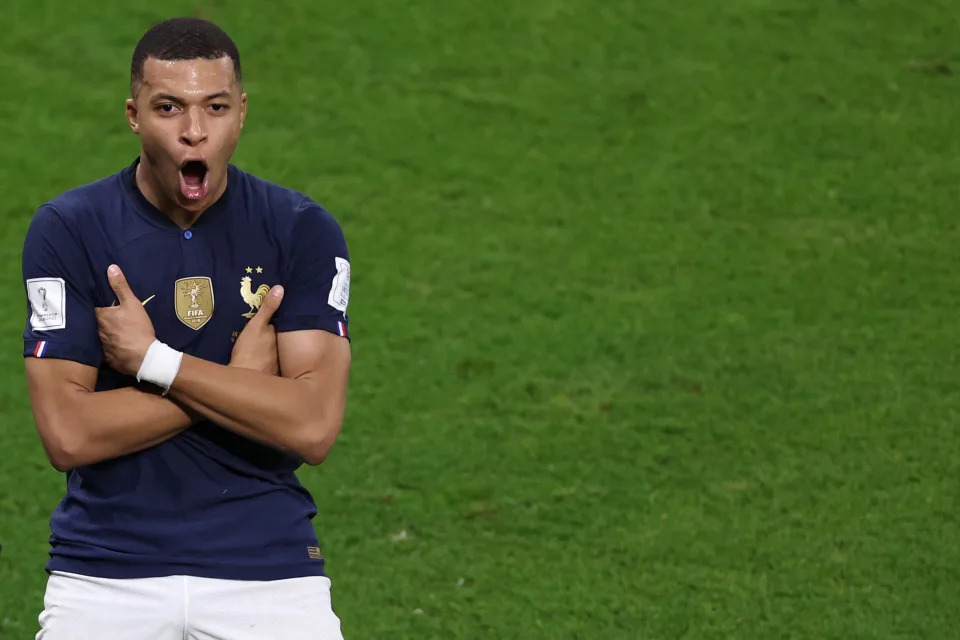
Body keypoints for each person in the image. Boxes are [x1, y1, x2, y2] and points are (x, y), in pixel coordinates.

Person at [21, 16, 351, 639]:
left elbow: (312, 426)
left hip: (269, 572)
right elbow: (67, 435)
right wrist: (235, 384)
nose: (194, 131)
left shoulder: (301, 230)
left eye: (216, 107)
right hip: (105, 572)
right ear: (133, 114)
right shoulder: (69, 229)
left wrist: (155, 363)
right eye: (169, 107)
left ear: (243, 112)